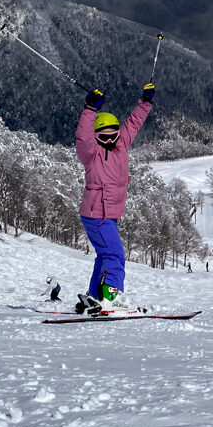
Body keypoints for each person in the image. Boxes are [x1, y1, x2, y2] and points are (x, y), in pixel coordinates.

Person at [74, 82, 154, 313]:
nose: (109, 140)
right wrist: (90, 110)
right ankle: (111, 296)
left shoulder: (121, 145)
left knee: (104, 255)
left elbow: (134, 123)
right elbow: (83, 137)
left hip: (108, 214)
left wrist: (145, 103)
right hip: (96, 213)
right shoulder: (91, 153)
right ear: (96, 136)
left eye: (113, 135)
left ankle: (94, 296)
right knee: (115, 255)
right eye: (103, 136)